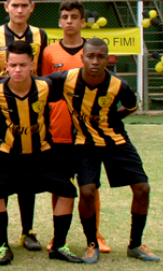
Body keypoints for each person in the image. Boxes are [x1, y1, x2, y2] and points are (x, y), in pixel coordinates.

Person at [47, 38, 159, 263]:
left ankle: (135, 244)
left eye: (100, 57)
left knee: (142, 188)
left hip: (116, 141)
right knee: (87, 191)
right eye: (91, 56)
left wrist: (113, 117)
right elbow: (37, 85)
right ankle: (92, 244)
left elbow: (131, 106)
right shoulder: (65, 79)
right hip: (85, 144)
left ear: (107, 59)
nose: (95, 61)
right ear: (82, 58)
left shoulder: (118, 84)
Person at [0, 41, 80, 265]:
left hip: (42, 154)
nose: (18, 70)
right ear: (6, 65)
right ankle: (3, 246)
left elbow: (77, 76)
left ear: (32, 65)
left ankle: (59, 245)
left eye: (23, 65)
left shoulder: (46, 86)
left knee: (68, 190)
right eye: (14, 65)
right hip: (8, 155)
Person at [0, 0, 48, 252]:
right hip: (0, 115)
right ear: (6, 6)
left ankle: (28, 231)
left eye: (24, 5)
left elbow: (42, 75)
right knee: (1, 170)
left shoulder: (41, 36)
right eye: (14, 5)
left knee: (28, 172)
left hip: (31, 113)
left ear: (32, 7)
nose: (19, 10)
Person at [40, 0, 111, 254]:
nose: (69, 21)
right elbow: (44, 91)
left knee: (90, 186)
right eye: (65, 16)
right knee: (60, 186)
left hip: (88, 133)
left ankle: (96, 235)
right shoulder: (49, 53)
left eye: (74, 17)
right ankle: (59, 237)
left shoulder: (93, 52)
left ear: (82, 21)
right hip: (58, 130)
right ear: (59, 21)